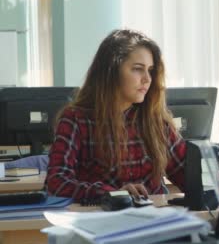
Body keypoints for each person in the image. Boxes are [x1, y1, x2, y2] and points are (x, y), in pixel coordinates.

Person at [46, 29, 185, 202]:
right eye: (137, 69)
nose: (147, 79)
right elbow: (56, 182)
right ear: (111, 71)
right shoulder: (76, 119)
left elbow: (186, 172)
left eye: (150, 70)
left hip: (154, 221)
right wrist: (112, 194)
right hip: (101, 222)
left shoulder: (155, 120)